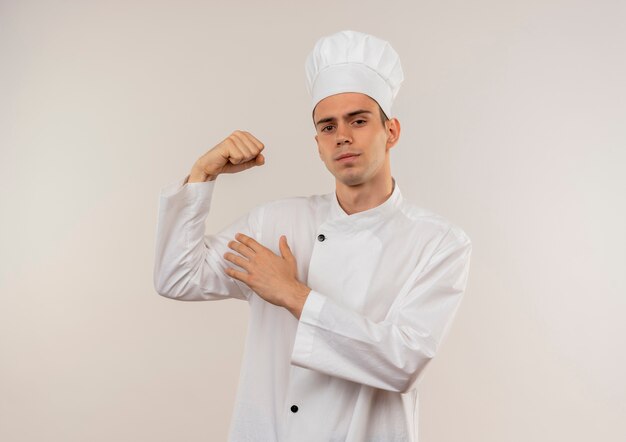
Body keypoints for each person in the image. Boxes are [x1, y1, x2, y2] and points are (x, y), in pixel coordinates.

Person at [153, 30, 472, 442]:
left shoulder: (439, 242)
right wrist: (202, 174)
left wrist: (291, 293)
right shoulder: (276, 222)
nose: (342, 136)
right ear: (318, 144)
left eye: (358, 120)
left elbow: (403, 362)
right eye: (327, 126)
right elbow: (176, 277)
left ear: (391, 131)